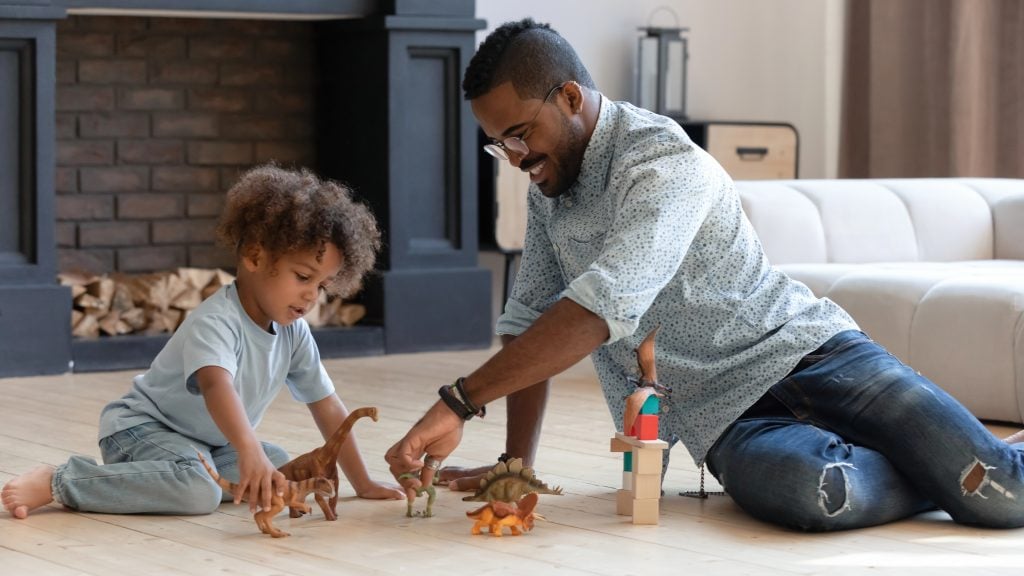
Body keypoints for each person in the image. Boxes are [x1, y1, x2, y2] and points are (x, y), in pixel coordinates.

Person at [385, 18, 1024, 532]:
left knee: (1001, 497)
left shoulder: (663, 162)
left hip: (817, 355)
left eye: (520, 134)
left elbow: (599, 308)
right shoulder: (551, 194)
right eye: (501, 144)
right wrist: (514, 466)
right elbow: (527, 326)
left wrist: (459, 401)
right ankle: (949, 464)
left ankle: (970, 465)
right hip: (728, 418)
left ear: (571, 98)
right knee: (817, 494)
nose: (516, 157)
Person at [3, 165, 404, 519]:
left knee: (276, 463)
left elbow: (328, 407)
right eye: (302, 277)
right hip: (141, 431)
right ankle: (64, 480)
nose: (311, 296)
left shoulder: (294, 331)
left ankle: (197, 475)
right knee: (198, 489)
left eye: (322, 285)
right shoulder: (216, 320)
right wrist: (248, 451)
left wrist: (363, 481)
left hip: (204, 445)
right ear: (254, 255)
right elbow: (217, 387)